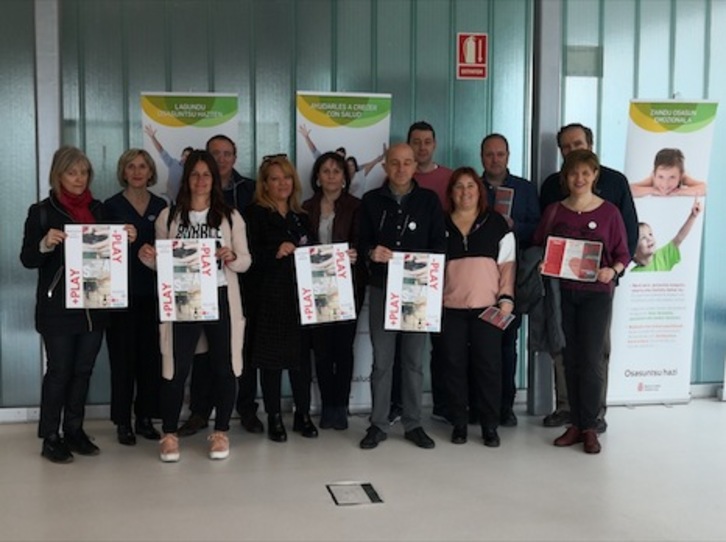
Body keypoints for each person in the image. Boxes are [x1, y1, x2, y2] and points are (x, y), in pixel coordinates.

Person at [20, 146, 137, 463]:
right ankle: (50, 436)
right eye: (72, 172)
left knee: (83, 370)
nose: (79, 178)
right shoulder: (42, 212)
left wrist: (126, 235)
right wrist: (44, 244)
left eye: (84, 172)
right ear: (58, 175)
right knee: (59, 371)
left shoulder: (99, 210)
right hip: (58, 308)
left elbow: (111, 253)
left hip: (95, 306)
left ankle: (74, 429)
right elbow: (27, 259)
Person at [138, 150, 251, 462]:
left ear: (214, 179)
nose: (200, 180)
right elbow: (162, 265)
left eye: (206, 174)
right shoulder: (169, 217)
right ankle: (170, 434)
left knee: (225, 368)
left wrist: (232, 256)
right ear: (186, 179)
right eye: (194, 174)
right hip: (182, 300)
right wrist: (147, 257)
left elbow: (246, 261)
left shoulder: (230, 217)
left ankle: (221, 431)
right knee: (176, 368)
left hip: (220, 298)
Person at [538, 123, 638, 433]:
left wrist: (615, 271)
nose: (572, 152)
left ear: (591, 146)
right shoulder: (553, 188)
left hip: (599, 285)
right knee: (565, 349)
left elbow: (628, 236)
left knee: (596, 351)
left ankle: (594, 416)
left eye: (577, 143)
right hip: (563, 286)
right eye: (566, 148)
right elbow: (545, 238)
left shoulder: (615, 187)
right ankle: (568, 410)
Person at [358, 143, 446, 450]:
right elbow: (360, 241)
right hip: (383, 289)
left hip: (418, 290)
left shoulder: (429, 201)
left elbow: (439, 244)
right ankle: (378, 424)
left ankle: (413, 423)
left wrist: (422, 266)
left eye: (407, 163)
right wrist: (372, 251)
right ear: (385, 167)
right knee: (382, 362)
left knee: (412, 362)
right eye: (394, 163)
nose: (400, 168)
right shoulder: (370, 201)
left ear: (414, 166)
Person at [177, 134, 262, 437]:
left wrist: (233, 257)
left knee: (232, 356)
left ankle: (241, 412)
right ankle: (200, 411)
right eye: (216, 154)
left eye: (227, 154)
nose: (222, 159)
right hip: (188, 294)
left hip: (232, 288)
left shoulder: (248, 191)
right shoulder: (174, 213)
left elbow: (246, 253)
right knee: (198, 357)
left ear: (233, 158)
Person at [243, 154, 319, 442]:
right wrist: (274, 252)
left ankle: (302, 414)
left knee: (300, 360)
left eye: (286, 177)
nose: (282, 183)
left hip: (301, 298)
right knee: (271, 361)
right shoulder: (254, 214)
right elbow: (246, 257)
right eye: (274, 178)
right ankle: (274, 416)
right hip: (268, 298)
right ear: (265, 184)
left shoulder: (302, 216)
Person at [440, 167, 516, 447]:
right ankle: (459, 423)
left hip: (489, 309)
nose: (465, 192)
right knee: (453, 366)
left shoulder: (496, 223)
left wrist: (506, 298)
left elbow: (508, 265)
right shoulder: (440, 223)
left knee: (489, 367)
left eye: (470, 186)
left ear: (479, 191)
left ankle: (489, 425)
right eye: (458, 187)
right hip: (451, 310)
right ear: (451, 193)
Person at [104, 149, 166, 446]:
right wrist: (117, 234)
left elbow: (170, 244)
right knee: (123, 360)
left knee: (150, 360)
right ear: (123, 172)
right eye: (131, 167)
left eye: (143, 166)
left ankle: (144, 418)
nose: (138, 172)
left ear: (150, 171)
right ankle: (122, 421)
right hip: (120, 296)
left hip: (153, 294)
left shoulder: (161, 205)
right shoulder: (110, 206)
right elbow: (99, 247)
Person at [480, 133, 540, 427]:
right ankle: (479, 406)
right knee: (477, 345)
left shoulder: (525, 190)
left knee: (507, 344)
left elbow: (539, 229)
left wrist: (516, 227)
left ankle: (505, 407)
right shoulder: (471, 187)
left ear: (508, 155)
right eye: (489, 154)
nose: (494, 159)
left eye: (499, 154)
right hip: (477, 280)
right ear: (482, 157)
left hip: (510, 280)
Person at [302, 152, 364, 430]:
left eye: (336, 171)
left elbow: (365, 244)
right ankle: (328, 405)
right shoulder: (305, 207)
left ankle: (341, 405)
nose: (331, 176)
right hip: (315, 288)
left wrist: (356, 253)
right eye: (325, 171)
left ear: (344, 177)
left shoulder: (357, 207)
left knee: (344, 348)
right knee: (322, 349)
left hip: (348, 286)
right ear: (317, 177)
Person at [406, 120, 454, 424]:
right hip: (408, 277)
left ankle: (443, 404)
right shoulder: (398, 177)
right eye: (416, 142)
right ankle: (402, 406)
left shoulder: (449, 178)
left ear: (434, 144)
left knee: (443, 344)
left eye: (427, 141)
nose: (422, 147)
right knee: (407, 347)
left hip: (443, 272)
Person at [632, 199, 702, 272]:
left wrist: (693, 216)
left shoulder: (663, 256)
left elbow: (679, 237)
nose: (649, 239)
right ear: (634, 252)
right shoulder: (633, 273)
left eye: (650, 234)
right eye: (643, 237)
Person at [143, 124, 192, 202]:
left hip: (183, 202)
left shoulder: (192, 170)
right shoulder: (173, 163)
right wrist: (153, 137)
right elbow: (161, 150)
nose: (185, 158)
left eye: (188, 156)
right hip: (168, 200)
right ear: (181, 155)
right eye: (184, 155)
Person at [630, 148, 706, 197]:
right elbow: (628, 189)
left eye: (672, 177)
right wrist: (652, 190)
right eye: (661, 177)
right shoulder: (653, 179)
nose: (665, 184)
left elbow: (705, 188)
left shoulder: (683, 178)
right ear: (654, 174)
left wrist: (679, 192)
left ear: (680, 176)